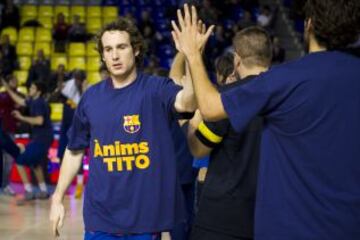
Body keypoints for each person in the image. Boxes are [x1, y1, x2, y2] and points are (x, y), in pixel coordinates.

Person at [172, 2, 360, 240]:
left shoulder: (286, 80)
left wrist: (192, 53)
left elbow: (209, 109)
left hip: (285, 226)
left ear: (309, 25)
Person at [50, 17, 201, 240]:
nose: (115, 55)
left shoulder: (156, 89)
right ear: (102, 55)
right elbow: (74, 150)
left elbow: (187, 103)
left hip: (144, 221)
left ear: (136, 49)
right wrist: (57, 198)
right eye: (108, 49)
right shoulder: (91, 97)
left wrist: (192, 55)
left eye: (121, 47)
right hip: (99, 218)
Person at [185, 27, 272, 240]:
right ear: (269, 56)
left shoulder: (226, 99)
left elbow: (198, 148)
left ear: (237, 59)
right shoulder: (287, 95)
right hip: (270, 216)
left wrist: (193, 124)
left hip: (222, 218)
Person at [1, 80, 53, 205]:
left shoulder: (39, 103)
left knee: (19, 160)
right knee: (35, 163)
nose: (30, 89)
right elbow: (20, 101)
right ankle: (44, 191)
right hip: (40, 138)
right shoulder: (34, 101)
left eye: (33, 88)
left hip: (43, 138)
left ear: (38, 92)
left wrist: (21, 118)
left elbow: (39, 121)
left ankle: (29, 192)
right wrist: (8, 87)